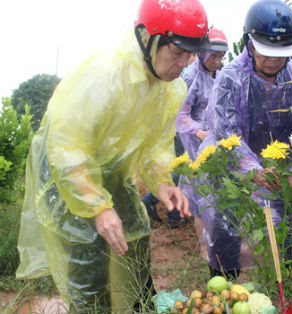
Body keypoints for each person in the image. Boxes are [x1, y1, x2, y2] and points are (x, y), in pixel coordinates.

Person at [15, 0, 209, 312]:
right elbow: (67, 147)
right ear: (147, 38)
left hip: (115, 176)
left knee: (135, 244)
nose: (185, 62)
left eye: (192, 52)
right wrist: (97, 207)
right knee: (89, 271)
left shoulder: (170, 90)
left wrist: (162, 184)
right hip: (69, 179)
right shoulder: (103, 75)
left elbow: (155, 148)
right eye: (177, 51)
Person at [197, 0, 292, 280]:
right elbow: (227, 133)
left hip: (280, 166)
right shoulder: (231, 78)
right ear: (250, 40)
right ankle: (222, 287)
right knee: (227, 221)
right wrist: (255, 171)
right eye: (266, 51)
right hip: (234, 163)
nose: (273, 59)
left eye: (281, 52)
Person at [176, 27, 229, 257]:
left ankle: (216, 243)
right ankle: (204, 250)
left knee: (214, 194)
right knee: (198, 197)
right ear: (201, 52)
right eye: (213, 56)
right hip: (194, 144)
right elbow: (180, 115)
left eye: (220, 57)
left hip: (212, 144)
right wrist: (200, 133)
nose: (217, 61)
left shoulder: (215, 76)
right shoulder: (190, 77)